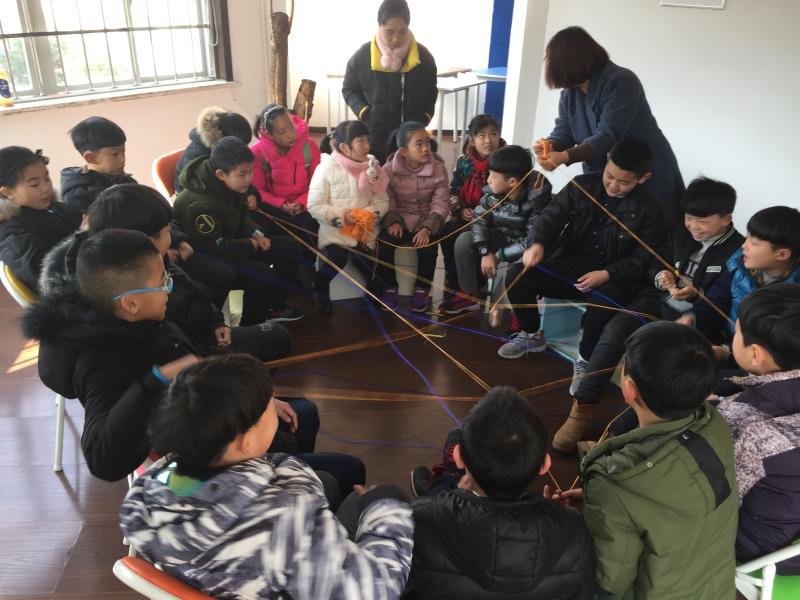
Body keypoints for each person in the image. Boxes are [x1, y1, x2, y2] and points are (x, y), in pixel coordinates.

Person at [120, 353, 414, 600]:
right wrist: (387, 512)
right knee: (364, 501)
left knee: (331, 479)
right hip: (284, 567)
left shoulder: (161, 478)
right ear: (246, 441)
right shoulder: (286, 522)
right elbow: (374, 590)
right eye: (269, 404)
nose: (275, 405)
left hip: (225, 573)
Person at [548, 321, 738, 599]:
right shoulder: (715, 424)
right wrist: (605, 501)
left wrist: (570, 521)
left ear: (629, 389)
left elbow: (608, 585)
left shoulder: (616, 484)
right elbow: (674, 497)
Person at [555, 176, 743, 452]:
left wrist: (696, 296)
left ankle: (614, 435)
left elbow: (722, 300)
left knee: (650, 366)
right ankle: (582, 408)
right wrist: (661, 275)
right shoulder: (680, 232)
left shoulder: (737, 250)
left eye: (702, 221)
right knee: (615, 331)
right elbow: (654, 260)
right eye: (689, 218)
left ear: (726, 218)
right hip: (657, 302)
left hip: (692, 323)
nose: (693, 226)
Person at [22, 229, 200, 481]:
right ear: (130, 303)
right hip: (185, 443)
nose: (168, 289)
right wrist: (154, 382)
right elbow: (102, 460)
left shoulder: (121, 311)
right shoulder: (109, 361)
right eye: (163, 282)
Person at [404, 386, 594, 599]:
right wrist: (557, 518)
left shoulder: (415, 519)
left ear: (459, 457)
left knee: (451, 449)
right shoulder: (576, 531)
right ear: (544, 465)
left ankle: (447, 481)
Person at [497, 138, 665, 373]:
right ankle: (532, 335)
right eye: (609, 176)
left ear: (643, 178)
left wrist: (607, 274)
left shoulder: (651, 209)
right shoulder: (582, 185)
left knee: (603, 302)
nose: (613, 185)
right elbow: (550, 217)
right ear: (607, 160)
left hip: (613, 279)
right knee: (518, 274)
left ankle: (586, 360)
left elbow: (643, 258)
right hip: (571, 265)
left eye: (623, 182)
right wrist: (537, 243)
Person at [533, 26, 684, 231]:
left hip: (642, 169)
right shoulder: (570, 93)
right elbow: (564, 129)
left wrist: (564, 157)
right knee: (608, 233)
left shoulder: (622, 81)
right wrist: (550, 146)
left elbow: (607, 135)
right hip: (606, 175)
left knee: (651, 231)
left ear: (573, 61)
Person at [173, 136, 304, 325]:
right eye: (242, 174)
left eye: (250, 172)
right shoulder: (199, 205)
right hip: (206, 254)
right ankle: (252, 323)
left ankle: (275, 306)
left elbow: (241, 216)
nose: (249, 179)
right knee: (260, 274)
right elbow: (213, 248)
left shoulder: (232, 184)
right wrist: (251, 244)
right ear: (220, 174)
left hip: (232, 242)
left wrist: (256, 233)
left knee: (289, 247)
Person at [716, 284, 800, 573]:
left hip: (763, 549)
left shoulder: (743, 422)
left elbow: (715, 495)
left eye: (737, 331)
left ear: (756, 354)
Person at [447, 145, 551, 317]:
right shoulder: (492, 192)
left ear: (512, 182)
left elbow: (531, 240)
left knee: (520, 269)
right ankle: (470, 294)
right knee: (464, 241)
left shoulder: (537, 200)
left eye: (493, 176)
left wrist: (499, 256)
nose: (488, 180)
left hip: (529, 249)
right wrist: (485, 251)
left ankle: (520, 314)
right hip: (502, 236)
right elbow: (479, 220)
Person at [679, 205, 800, 343]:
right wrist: (694, 317)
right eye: (746, 237)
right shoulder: (737, 265)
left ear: (782, 254)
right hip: (727, 340)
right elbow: (717, 301)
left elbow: (777, 341)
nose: (744, 246)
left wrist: (727, 351)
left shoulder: (793, 294)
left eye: (753, 243)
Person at [307, 120, 389, 313]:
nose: (367, 146)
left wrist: (369, 214)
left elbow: (382, 200)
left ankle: (373, 294)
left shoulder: (373, 167)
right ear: (344, 147)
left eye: (367, 140)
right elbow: (314, 205)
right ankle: (320, 287)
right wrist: (342, 216)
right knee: (337, 258)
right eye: (360, 141)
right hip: (335, 229)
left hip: (364, 228)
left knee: (368, 264)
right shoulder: (326, 168)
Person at [342, 0, 437, 164]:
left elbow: (431, 89)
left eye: (402, 32)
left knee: (410, 176)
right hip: (375, 137)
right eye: (389, 32)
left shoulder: (423, 57)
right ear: (380, 26)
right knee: (377, 175)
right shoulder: (362, 57)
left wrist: (426, 115)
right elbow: (349, 89)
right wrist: (364, 111)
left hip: (412, 140)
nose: (395, 38)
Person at [374, 121, 449, 312]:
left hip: (426, 220)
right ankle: (389, 287)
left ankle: (422, 289)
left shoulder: (439, 168)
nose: (426, 148)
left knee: (429, 247)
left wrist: (427, 228)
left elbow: (441, 202)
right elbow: (387, 198)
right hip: (400, 220)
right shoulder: (388, 169)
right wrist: (392, 220)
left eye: (427, 142)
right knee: (383, 243)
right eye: (419, 144)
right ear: (404, 151)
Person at [248, 103, 322, 283]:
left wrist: (302, 203)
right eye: (282, 131)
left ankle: (309, 270)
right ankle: (291, 280)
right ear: (269, 134)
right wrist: (280, 204)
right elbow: (257, 190)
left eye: (291, 126)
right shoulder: (257, 153)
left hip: (307, 204)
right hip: (275, 209)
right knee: (287, 237)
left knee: (311, 230)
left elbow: (318, 183)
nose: (291, 134)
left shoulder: (309, 146)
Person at [439, 114, 504, 307]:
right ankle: (454, 282)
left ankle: (477, 285)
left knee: (469, 239)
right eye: (482, 135)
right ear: (472, 140)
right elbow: (453, 191)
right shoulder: (464, 162)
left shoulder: (506, 162)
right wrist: (461, 210)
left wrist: (480, 214)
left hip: (494, 220)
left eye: (493, 134)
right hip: (468, 215)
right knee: (449, 230)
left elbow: (507, 200)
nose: (488, 140)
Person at [0, 146, 81, 291]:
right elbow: (49, 277)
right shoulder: (13, 236)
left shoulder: (58, 208)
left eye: (47, 178)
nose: (46, 188)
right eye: (34, 184)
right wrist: (83, 235)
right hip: (75, 295)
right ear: (8, 192)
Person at [60, 116, 136, 211]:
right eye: (115, 154)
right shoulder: (77, 197)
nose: (122, 159)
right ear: (90, 158)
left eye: (123, 151)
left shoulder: (126, 181)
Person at [174, 105, 252, 193]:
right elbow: (204, 189)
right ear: (224, 138)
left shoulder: (224, 145)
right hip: (193, 192)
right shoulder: (200, 158)